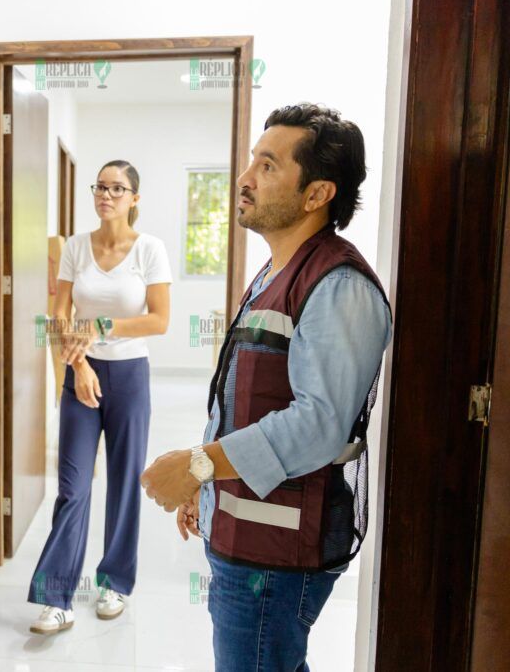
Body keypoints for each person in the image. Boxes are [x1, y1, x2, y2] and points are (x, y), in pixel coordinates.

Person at [140, 103, 393, 671]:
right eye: (254, 160)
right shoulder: (275, 273)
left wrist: (199, 465)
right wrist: (205, 489)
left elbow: (318, 426)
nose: (246, 177)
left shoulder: (338, 286)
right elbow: (248, 396)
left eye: (269, 166)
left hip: (278, 556)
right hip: (248, 538)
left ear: (317, 193)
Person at [28, 160, 171, 634]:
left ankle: (115, 583)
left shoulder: (150, 249)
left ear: (135, 198)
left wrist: (102, 327)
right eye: (100, 186)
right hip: (81, 375)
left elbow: (159, 320)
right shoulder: (75, 247)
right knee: (73, 487)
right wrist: (80, 364)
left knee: (124, 480)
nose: (106, 194)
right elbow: (60, 313)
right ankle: (58, 598)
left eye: (117, 188)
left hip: (130, 374)